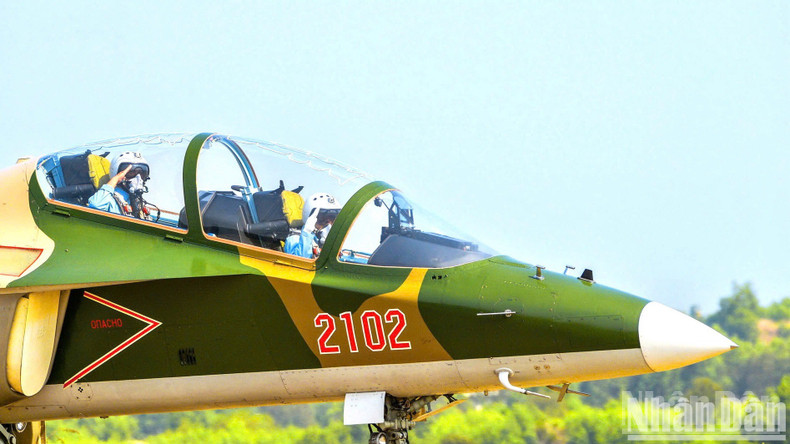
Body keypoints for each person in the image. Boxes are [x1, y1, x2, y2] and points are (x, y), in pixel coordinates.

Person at [88, 151, 152, 220]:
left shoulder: (138, 201)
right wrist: (116, 179)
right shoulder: (110, 198)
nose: (138, 178)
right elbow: (95, 205)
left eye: (142, 174)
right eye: (131, 173)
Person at [284, 193, 341, 259]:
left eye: (332, 218)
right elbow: (301, 261)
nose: (327, 223)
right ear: (310, 216)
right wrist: (307, 233)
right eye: (322, 218)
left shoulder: (318, 238)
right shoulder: (294, 238)